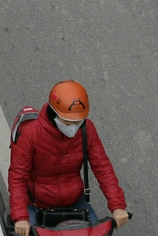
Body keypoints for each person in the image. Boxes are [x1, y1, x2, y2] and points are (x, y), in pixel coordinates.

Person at [8, 80, 129, 236]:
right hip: (36, 204)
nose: (74, 126)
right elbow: (17, 177)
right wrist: (20, 217)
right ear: (53, 113)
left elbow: (103, 167)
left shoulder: (87, 129)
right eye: (68, 121)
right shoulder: (31, 134)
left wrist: (117, 206)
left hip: (74, 202)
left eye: (78, 121)